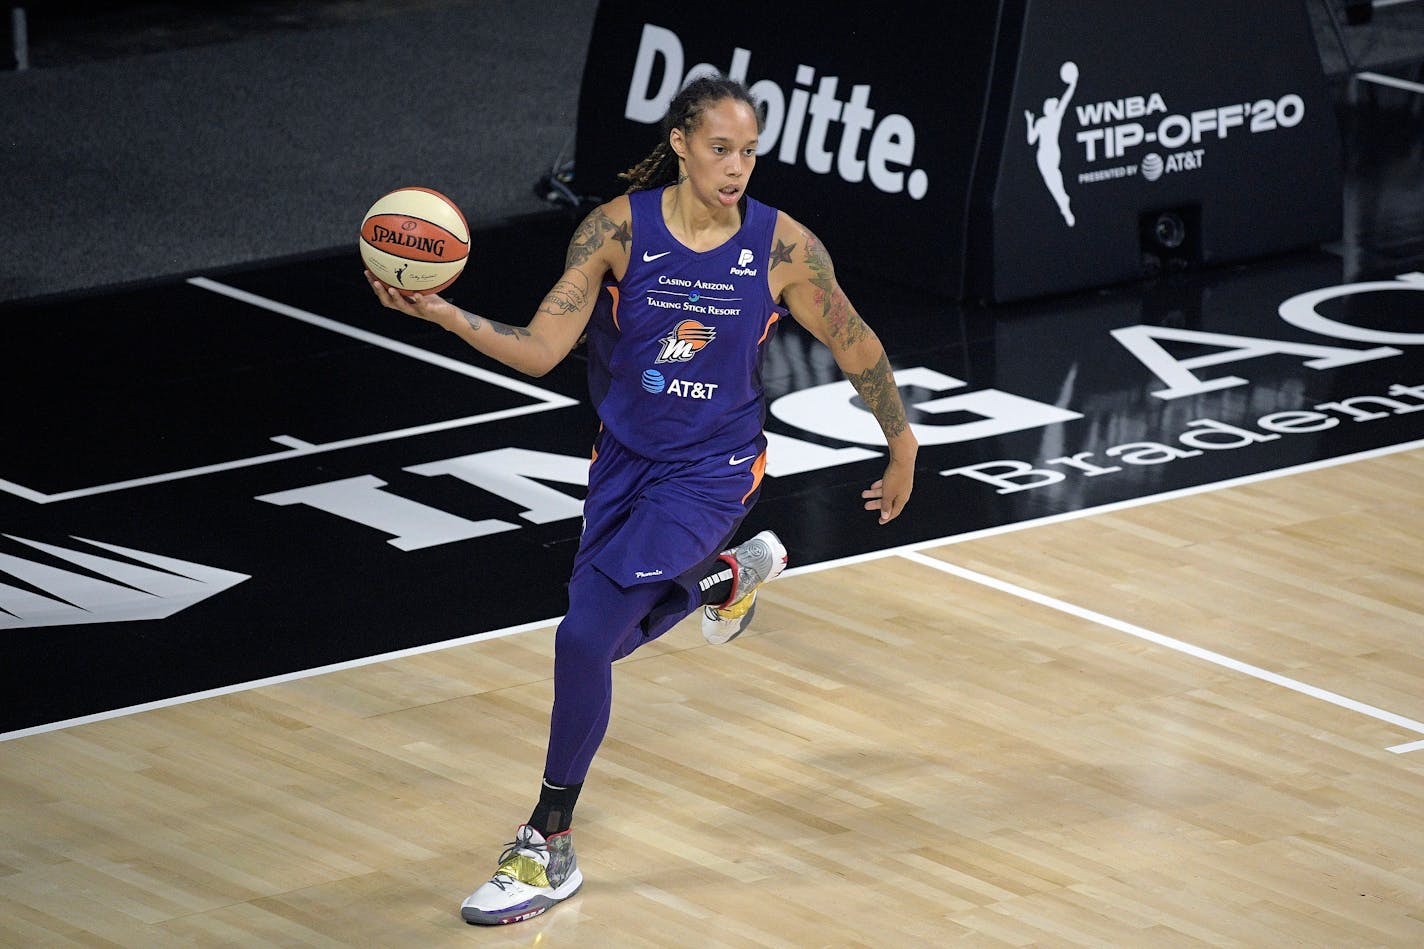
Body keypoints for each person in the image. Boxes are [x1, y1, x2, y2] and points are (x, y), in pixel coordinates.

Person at [365, 73, 917, 926]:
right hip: (623, 464)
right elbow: (545, 347)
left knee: (581, 637)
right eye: (723, 149)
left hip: (714, 467)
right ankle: (728, 578)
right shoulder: (617, 230)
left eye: (751, 152)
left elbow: (852, 337)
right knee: (602, 646)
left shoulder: (782, 249)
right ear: (685, 143)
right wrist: (446, 315)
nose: (738, 168)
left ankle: (546, 841)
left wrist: (902, 437)